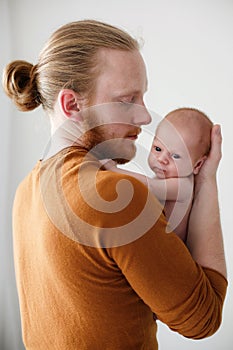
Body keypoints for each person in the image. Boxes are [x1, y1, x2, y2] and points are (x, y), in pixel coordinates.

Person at [2, 20, 227, 350]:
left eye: (143, 96)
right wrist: (206, 180)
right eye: (127, 100)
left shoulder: (26, 192)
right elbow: (204, 318)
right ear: (71, 105)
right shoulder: (116, 196)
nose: (145, 117)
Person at [102, 107, 213, 242]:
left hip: (170, 253)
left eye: (175, 156)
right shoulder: (165, 180)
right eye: (158, 149)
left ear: (197, 165)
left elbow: (150, 187)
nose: (161, 159)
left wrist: (113, 169)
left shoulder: (184, 186)